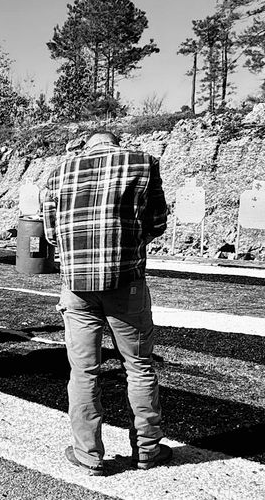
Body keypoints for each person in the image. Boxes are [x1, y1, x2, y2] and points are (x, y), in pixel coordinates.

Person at [42, 131, 172, 475]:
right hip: (126, 282)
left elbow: (51, 234)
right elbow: (158, 222)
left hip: (77, 287)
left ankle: (89, 455)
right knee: (139, 367)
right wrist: (130, 237)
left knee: (84, 371)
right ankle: (147, 451)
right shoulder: (143, 162)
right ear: (116, 142)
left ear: (87, 145)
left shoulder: (59, 172)